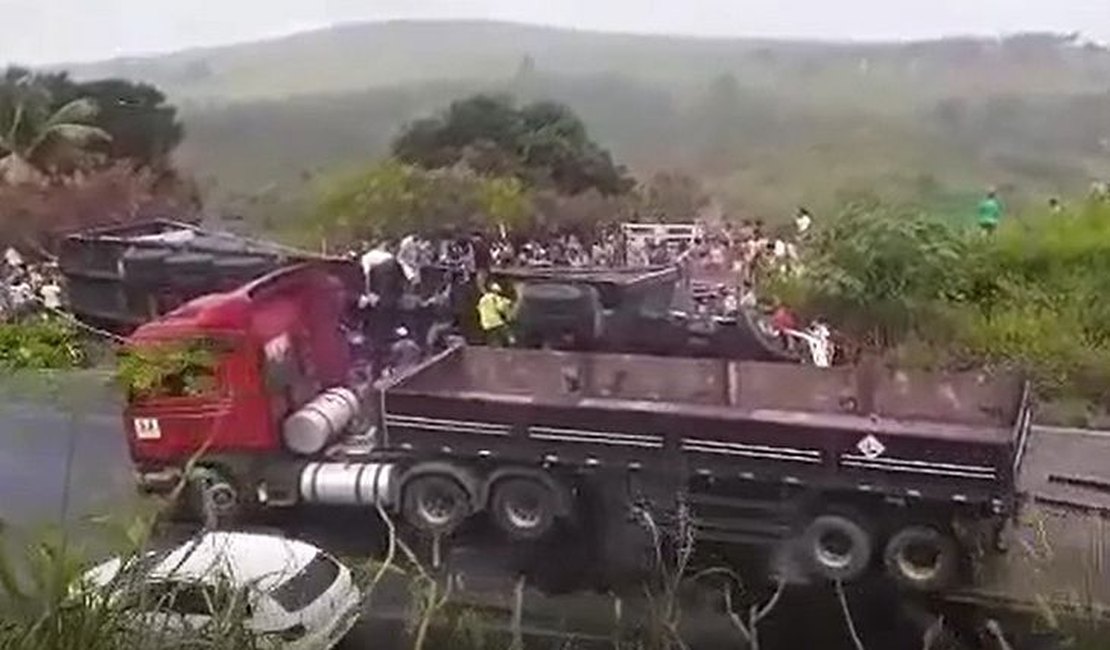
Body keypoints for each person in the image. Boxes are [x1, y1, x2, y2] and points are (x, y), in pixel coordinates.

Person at [477, 282, 514, 347]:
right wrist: (507, 305)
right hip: (495, 320)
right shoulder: (495, 298)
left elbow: (479, 308)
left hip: (486, 323)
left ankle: (495, 346)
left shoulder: (482, 299)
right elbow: (501, 307)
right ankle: (511, 341)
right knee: (505, 330)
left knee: (493, 336)